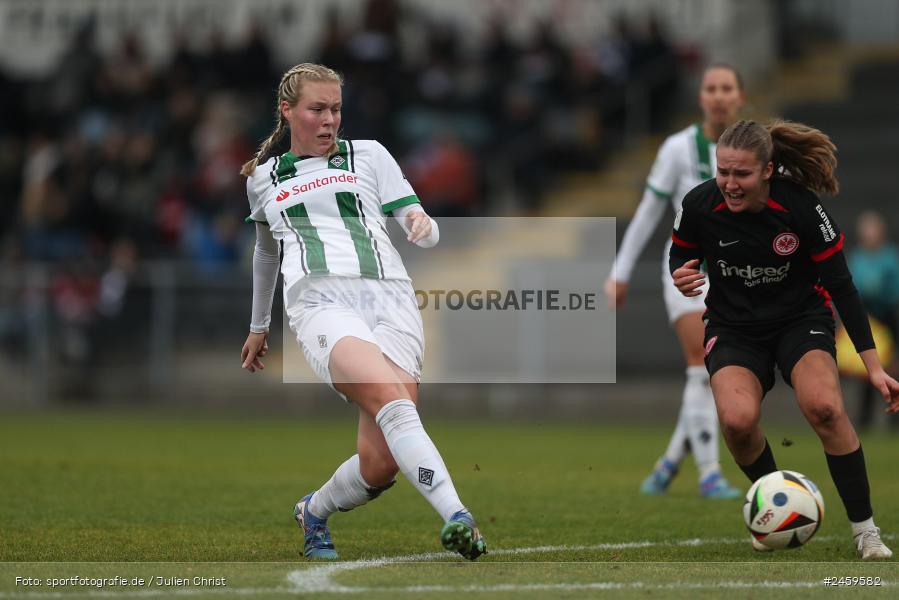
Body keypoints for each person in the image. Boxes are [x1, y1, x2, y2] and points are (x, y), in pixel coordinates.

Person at [239, 63, 486, 561]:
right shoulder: (263, 179)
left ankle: (314, 511)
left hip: (392, 300)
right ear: (287, 111)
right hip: (320, 303)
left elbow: (422, 223)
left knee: (380, 464)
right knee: (394, 403)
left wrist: (421, 223)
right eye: (317, 109)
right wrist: (259, 325)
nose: (330, 120)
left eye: (336, 109)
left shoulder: (369, 156)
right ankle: (458, 516)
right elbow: (267, 253)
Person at [670, 119, 899, 559]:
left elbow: (842, 287)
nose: (729, 184)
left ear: (769, 170)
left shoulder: (801, 208)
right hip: (734, 328)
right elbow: (681, 252)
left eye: (742, 174)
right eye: (722, 172)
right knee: (736, 421)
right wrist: (680, 272)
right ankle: (776, 510)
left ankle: (866, 532)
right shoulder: (699, 204)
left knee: (826, 409)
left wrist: (874, 367)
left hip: (800, 321)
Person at [605, 64, 744, 499]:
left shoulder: (758, 148)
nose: (719, 96)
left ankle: (668, 463)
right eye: (711, 88)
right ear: (700, 97)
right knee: (702, 367)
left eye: (727, 88)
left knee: (714, 371)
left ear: (739, 96)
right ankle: (710, 475)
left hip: (739, 270)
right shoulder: (677, 148)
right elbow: (649, 211)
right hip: (687, 268)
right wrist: (620, 272)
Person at [847, 210, 899, 430]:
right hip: (866, 319)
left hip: (889, 319)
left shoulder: (890, 257)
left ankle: (894, 421)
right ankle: (865, 421)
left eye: (872, 228)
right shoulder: (857, 257)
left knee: (894, 368)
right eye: (865, 228)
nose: (868, 233)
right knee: (867, 372)